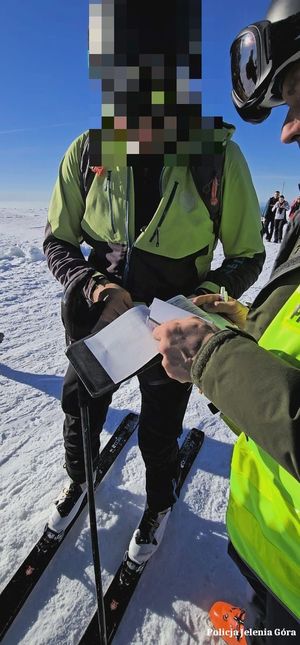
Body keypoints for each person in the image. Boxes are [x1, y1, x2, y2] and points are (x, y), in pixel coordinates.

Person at [43, 0, 265, 570]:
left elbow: (247, 254)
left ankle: (159, 503)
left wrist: (198, 302)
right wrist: (95, 287)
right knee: (80, 407)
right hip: (105, 325)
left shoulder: (216, 157)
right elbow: (57, 241)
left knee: (160, 429)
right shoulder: (89, 151)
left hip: (172, 331)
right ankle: (79, 480)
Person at [153, 0, 300, 642]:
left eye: (299, 96)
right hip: (277, 549)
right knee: (268, 610)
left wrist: (214, 357)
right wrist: (241, 322)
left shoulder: (220, 160)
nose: (288, 131)